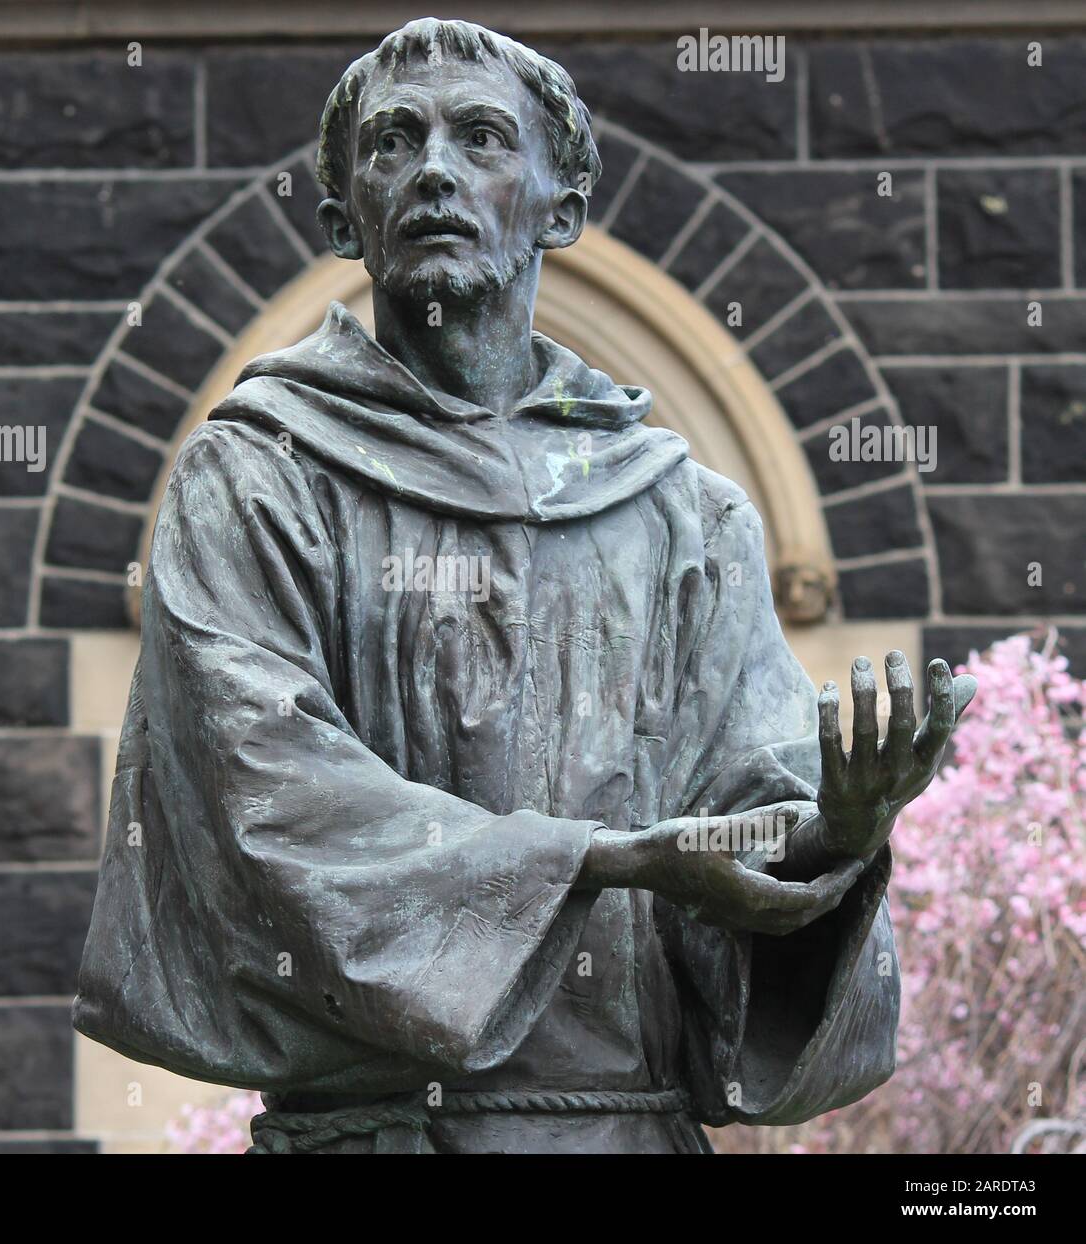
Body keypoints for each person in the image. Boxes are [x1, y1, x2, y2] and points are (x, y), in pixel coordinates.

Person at [74, 18, 975, 1154]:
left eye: (483, 138)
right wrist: (597, 857)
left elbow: (751, 797)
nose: (435, 169)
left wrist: (832, 840)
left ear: (562, 207)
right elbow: (267, 794)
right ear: (343, 217)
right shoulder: (256, 478)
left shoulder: (683, 517)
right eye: (395, 143)